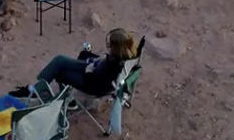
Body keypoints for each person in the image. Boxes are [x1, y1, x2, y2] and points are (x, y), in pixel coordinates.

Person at [10, 28, 138, 101]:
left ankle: (36, 92)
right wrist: (100, 60)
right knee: (60, 60)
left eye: (110, 44)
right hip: (95, 69)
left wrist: (89, 70)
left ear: (117, 47)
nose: (108, 46)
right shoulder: (127, 56)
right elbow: (106, 67)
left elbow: (97, 83)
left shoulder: (114, 66)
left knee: (59, 71)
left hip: (91, 82)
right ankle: (35, 89)